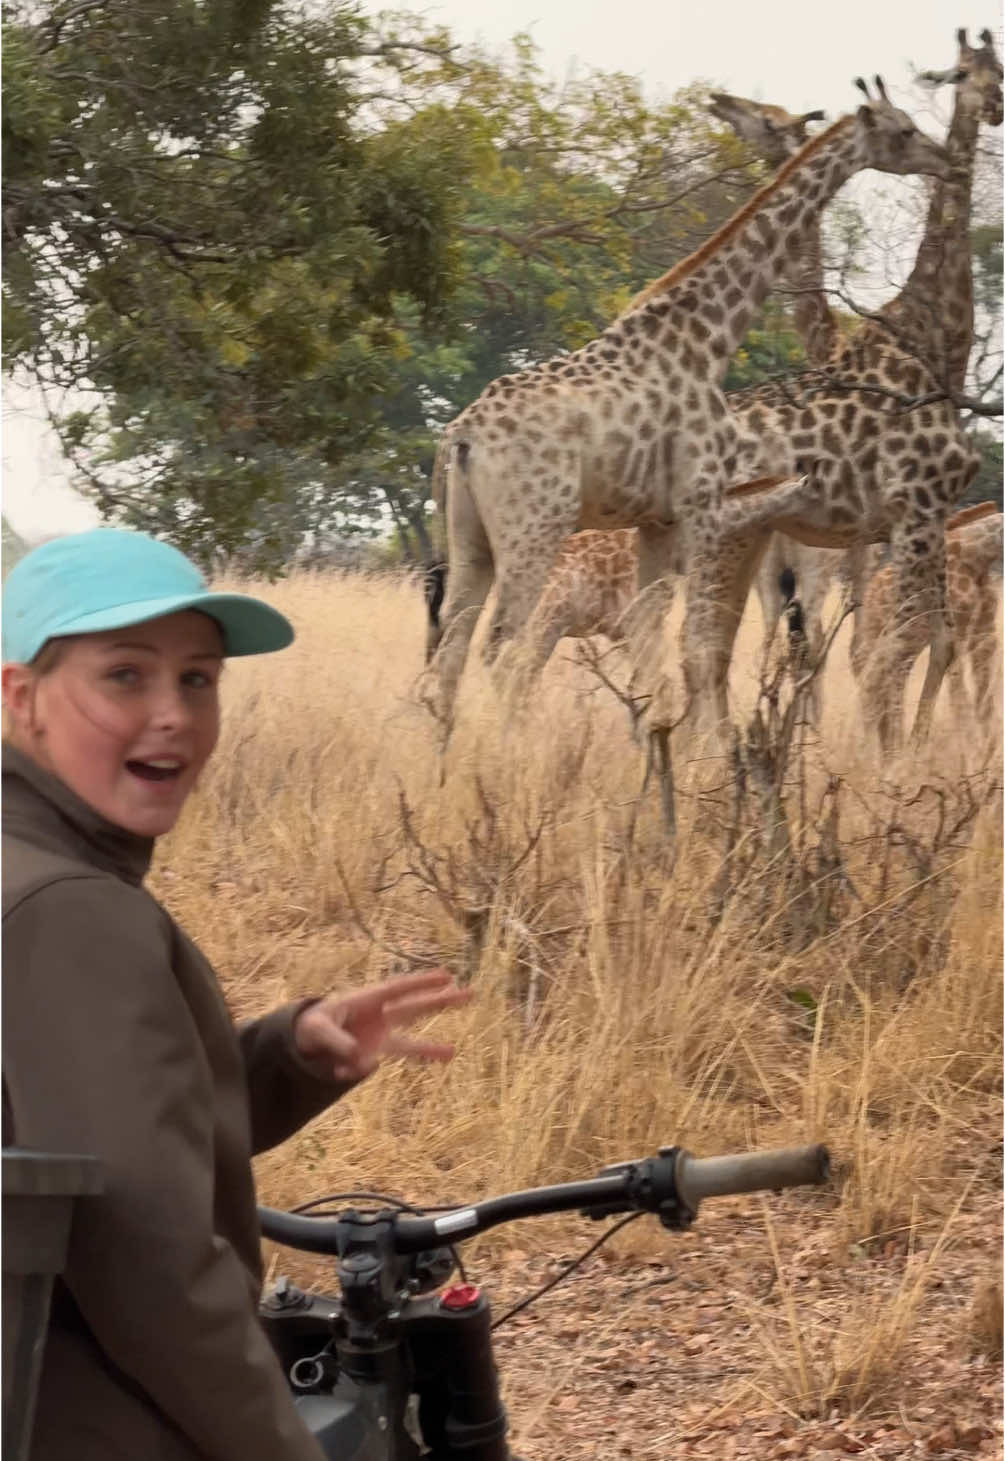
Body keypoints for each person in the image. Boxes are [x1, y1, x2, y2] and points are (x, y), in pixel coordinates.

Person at [2, 527, 470, 1461]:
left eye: (199, 679)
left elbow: (71, 1148)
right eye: (125, 676)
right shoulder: (71, 910)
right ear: (22, 698)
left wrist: (288, 1051)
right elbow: (151, 1265)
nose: (173, 712)